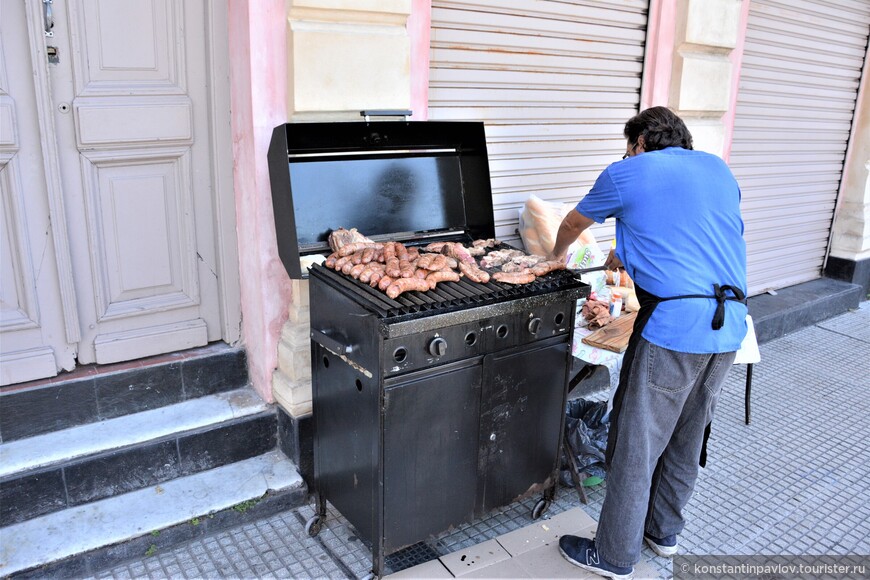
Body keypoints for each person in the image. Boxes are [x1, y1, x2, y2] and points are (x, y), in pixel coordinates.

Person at [549, 106, 748, 580]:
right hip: (729, 326)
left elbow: (574, 225)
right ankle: (663, 534)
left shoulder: (627, 172)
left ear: (639, 142)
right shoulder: (718, 169)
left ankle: (614, 555)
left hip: (674, 330)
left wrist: (556, 258)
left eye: (627, 146)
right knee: (687, 435)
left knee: (637, 443)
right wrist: (632, 250)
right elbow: (694, 237)